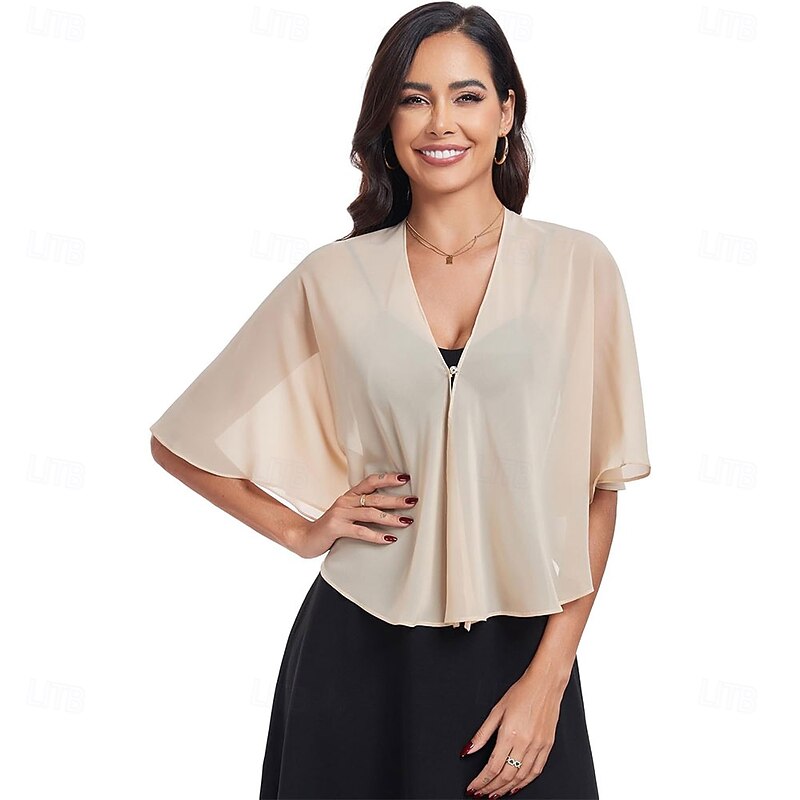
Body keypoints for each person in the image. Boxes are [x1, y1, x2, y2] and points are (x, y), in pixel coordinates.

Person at [149, 3, 651, 798]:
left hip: (521, 658)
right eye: (414, 98)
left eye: (467, 95)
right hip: (356, 652)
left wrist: (549, 677)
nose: (440, 121)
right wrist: (302, 531)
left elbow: (599, 488)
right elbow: (181, 441)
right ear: (387, 120)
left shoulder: (578, 268)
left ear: (506, 113)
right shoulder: (333, 277)